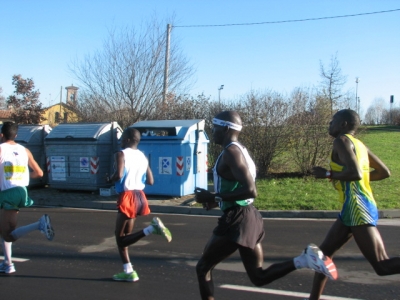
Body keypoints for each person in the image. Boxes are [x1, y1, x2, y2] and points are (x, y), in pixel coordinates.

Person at [194, 111, 338, 300]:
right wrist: (216, 200)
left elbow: (251, 190)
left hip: (237, 219)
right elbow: (240, 187)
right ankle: (303, 260)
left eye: (215, 128)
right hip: (249, 216)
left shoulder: (231, 152)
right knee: (258, 277)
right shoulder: (239, 149)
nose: (213, 132)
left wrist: (214, 195)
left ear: (226, 128)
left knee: (203, 267)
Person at [307, 109, 400, 300]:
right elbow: (383, 172)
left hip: (357, 207)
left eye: (332, 121)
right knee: (323, 256)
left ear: (343, 125)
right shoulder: (359, 144)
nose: (329, 125)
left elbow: (356, 173)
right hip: (355, 206)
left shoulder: (341, 141)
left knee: (382, 266)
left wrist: (327, 174)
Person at [107, 127, 172, 282]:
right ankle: (129, 271)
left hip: (127, 196)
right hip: (140, 196)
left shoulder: (121, 154)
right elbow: (150, 181)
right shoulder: (143, 156)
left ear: (128, 139)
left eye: (122, 137)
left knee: (119, 238)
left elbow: (119, 175)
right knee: (125, 238)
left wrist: (109, 179)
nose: (121, 140)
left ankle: (151, 229)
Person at [0, 121, 54, 274]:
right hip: (21, 191)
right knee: (3, 229)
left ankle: (39, 224)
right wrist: (21, 176)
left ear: (1, 135)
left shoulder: (1, 149)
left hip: (8, 192)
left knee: (8, 235)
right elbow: (39, 173)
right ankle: (8, 263)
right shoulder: (25, 150)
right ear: (16, 135)